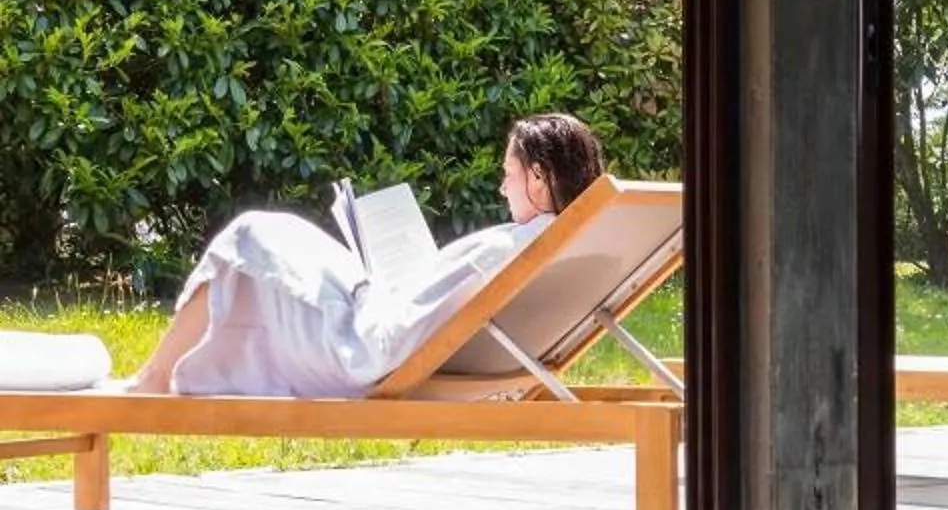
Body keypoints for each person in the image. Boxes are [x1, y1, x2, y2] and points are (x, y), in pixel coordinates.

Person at [127, 114, 607, 398]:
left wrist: (370, 282)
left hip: (356, 345)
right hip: (381, 325)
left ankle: (153, 378)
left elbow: (387, 341)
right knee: (270, 240)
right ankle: (163, 372)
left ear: (539, 178)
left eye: (508, 173)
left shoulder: (503, 249)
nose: (502, 187)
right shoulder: (553, 245)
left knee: (250, 234)